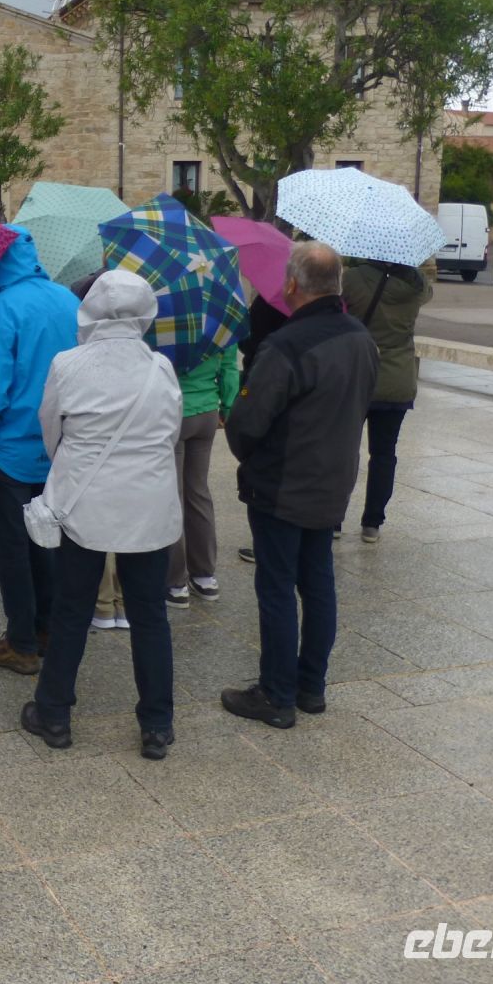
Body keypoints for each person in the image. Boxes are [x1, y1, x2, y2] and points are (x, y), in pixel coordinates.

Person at [19, 271, 182, 759]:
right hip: (148, 506)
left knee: (72, 610)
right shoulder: (161, 369)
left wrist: (76, 466)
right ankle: (156, 723)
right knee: (150, 613)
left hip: (84, 506)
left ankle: (54, 713)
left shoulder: (67, 364)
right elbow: (169, 434)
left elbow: (51, 430)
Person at [221, 242, 378, 729]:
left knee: (276, 588)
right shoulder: (360, 338)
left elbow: (247, 425)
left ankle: (276, 694)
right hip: (333, 481)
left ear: (292, 284)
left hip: (283, 485)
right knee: (318, 583)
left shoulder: (286, 346)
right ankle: (312, 686)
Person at [0, 226, 79, 676]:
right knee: (50, 541)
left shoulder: (1, 309)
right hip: (61, 447)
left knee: (13, 546)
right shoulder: (68, 300)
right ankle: (48, 629)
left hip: (10, 451)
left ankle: (20, 643)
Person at [341, 259, 432, 543]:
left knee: (343, 450)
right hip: (397, 379)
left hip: (358, 374)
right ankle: (372, 523)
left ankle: (332, 518)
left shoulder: (352, 279)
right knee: (384, 454)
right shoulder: (416, 285)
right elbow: (428, 292)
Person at [164, 350, 239, 608]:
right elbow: (229, 367)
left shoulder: (167, 317)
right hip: (207, 410)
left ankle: (175, 581)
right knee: (198, 491)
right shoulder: (219, 318)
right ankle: (205, 575)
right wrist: (228, 406)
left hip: (171, 410)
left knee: (172, 496)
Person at [234, 294, 289, 567]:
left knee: (264, 466)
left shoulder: (266, 302)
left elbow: (248, 342)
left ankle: (265, 545)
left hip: (261, 383)